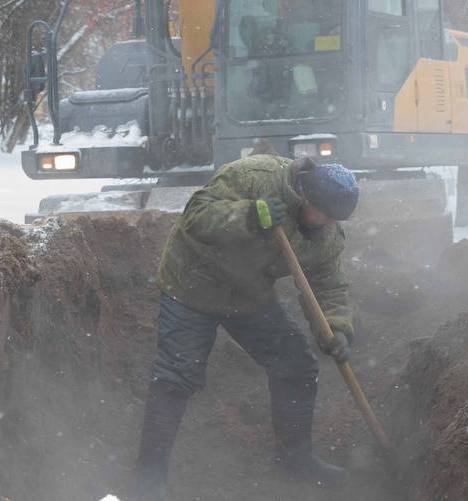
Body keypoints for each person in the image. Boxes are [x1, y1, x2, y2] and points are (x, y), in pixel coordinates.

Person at [135, 153, 360, 499]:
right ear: (305, 196)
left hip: (247, 296)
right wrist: (249, 216)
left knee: (296, 366)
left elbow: (327, 282)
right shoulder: (257, 176)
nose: (326, 223)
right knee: (176, 376)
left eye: (334, 219)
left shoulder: (325, 234)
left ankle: (296, 459)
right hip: (192, 282)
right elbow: (196, 215)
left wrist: (336, 327)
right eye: (323, 213)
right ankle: (149, 479)